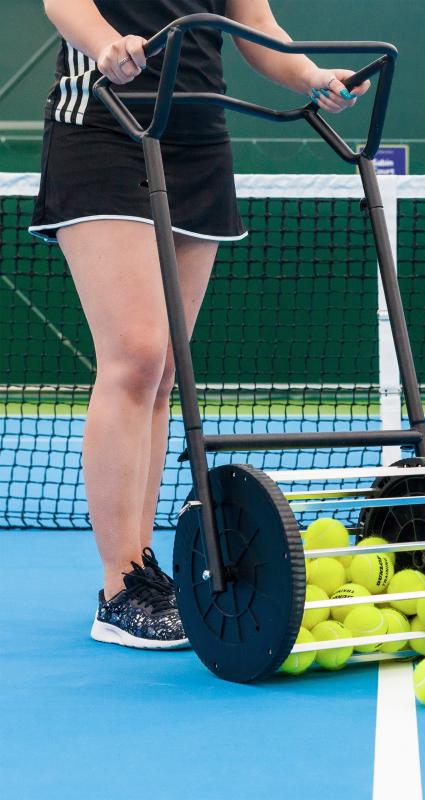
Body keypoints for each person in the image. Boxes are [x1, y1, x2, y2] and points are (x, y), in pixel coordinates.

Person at [30, 0, 369, 649]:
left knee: (162, 372)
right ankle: (118, 589)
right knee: (134, 355)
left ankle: (144, 569)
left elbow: (257, 26)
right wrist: (105, 46)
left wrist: (311, 78)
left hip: (197, 142)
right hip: (104, 123)